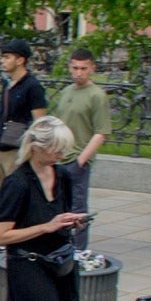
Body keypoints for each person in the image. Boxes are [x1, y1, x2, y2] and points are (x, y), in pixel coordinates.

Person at [0, 116, 86, 301]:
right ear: (36, 146)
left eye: (63, 150)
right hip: (29, 266)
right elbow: (2, 236)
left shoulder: (63, 176)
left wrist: (70, 223)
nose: (60, 155)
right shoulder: (18, 183)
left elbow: (59, 216)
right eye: (55, 149)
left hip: (58, 264)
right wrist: (47, 226)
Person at [51, 46, 111, 249]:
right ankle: (61, 244)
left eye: (83, 68)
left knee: (78, 207)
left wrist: (81, 160)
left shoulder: (97, 95)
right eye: (75, 68)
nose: (79, 73)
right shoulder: (67, 91)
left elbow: (101, 132)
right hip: (60, 157)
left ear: (92, 68)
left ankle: (78, 249)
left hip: (78, 159)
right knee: (58, 205)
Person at [0, 37, 48, 206]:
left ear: (20, 60)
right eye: (3, 57)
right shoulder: (8, 84)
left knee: (14, 201)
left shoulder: (32, 86)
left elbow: (40, 123)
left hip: (17, 151)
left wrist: (32, 152)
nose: (3, 61)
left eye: (7, 57)